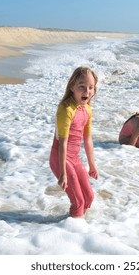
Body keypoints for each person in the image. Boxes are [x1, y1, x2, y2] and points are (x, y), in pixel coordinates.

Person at [49, 66, 99, 218]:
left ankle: (76, 226)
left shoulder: (87, 110)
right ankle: (68, 233)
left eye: (91, 88)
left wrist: (92, 165)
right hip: (60, 158)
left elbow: (87, 139)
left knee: (88, 198)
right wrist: (63, 173)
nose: (87, 92)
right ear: (72, 87)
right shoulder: (66, 110)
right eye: (82, 87)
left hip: (74, 159)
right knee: (78, 202)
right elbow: (62, 143)